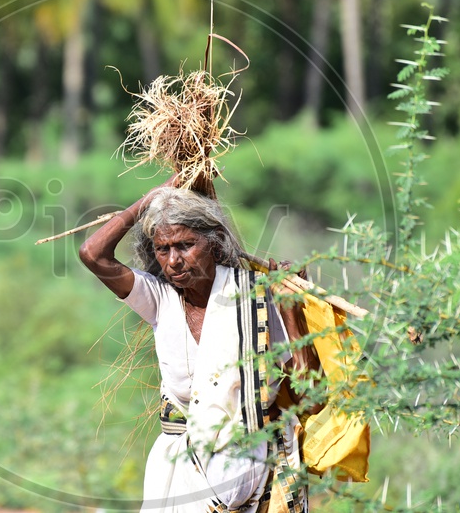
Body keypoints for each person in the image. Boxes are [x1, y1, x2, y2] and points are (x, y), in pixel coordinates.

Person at [79, 176, 320, 513]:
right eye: (163, 249)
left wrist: (291, 308)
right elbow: (92, 254)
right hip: (179, 470)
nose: (174, 260)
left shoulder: (255, 300)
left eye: (185, 245)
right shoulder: (159, 298)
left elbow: (309, 399)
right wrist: (152, 198)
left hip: (251, 473)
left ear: (215, 245)